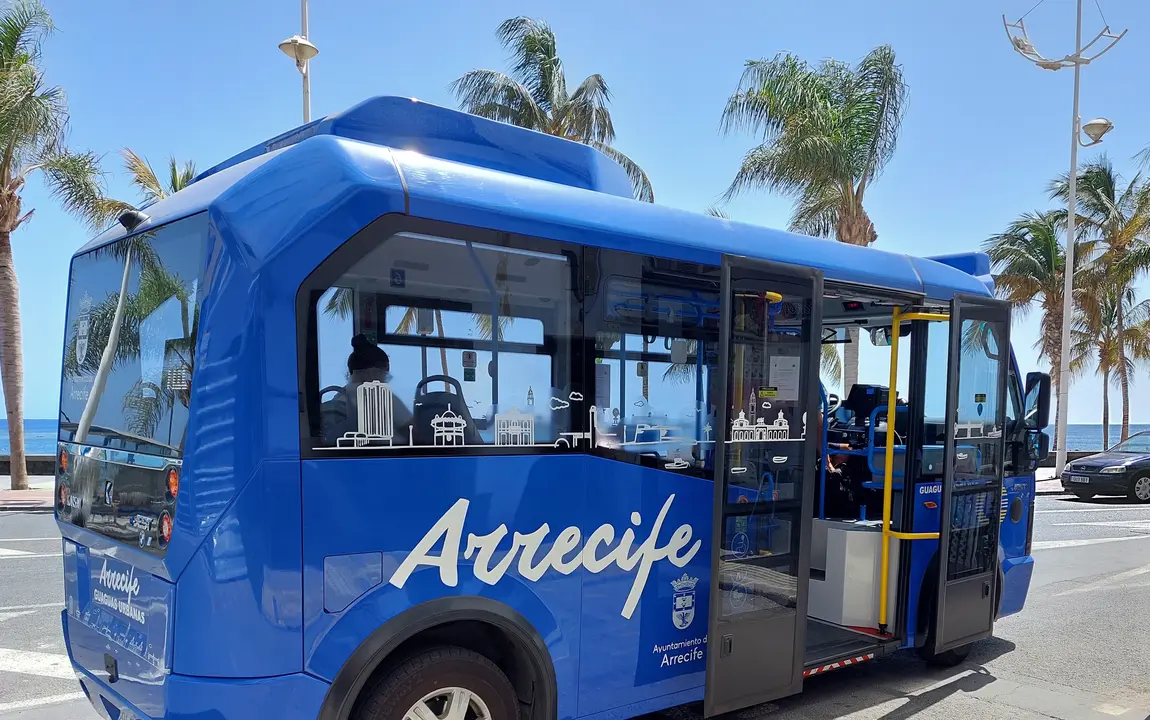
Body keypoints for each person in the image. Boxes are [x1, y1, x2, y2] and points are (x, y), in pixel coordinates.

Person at [322, 335, 413, 445]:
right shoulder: (382, 397)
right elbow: (413, 431)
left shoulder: (339, 397)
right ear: (373, 372)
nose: (385, 380)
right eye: (385, 374)